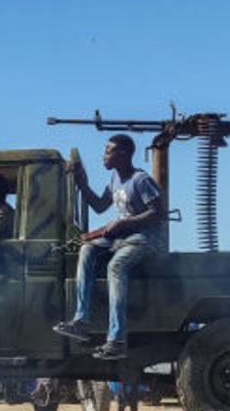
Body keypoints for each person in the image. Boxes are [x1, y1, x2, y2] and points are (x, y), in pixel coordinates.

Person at [53, 135, 164, 360]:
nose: (104, 156)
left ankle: (116, 340)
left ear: (123, 154)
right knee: (87, 249)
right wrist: (81, 182)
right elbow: (99, 206)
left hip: (144, 239)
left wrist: (125, 223)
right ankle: (81, 320)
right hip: (121, 238)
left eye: (108, 151)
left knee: (116, 266)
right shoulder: (114, 180)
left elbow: (157, 213)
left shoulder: (140, 179)